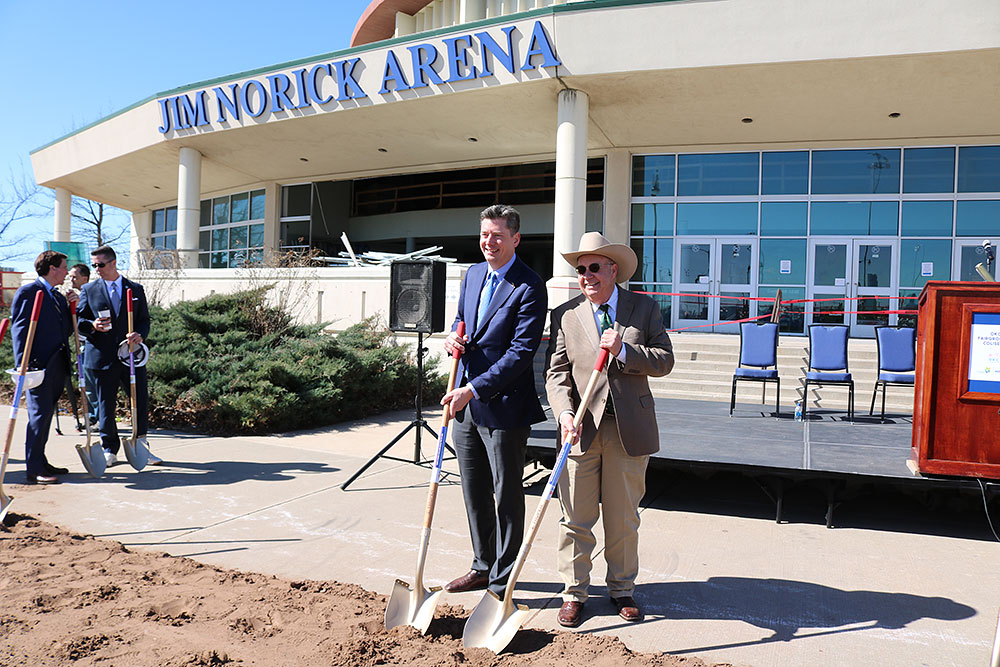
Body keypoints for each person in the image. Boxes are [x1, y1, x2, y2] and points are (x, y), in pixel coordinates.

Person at [545, 232, 674, 627]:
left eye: (594, 268)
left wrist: (624, 350)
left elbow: (665, 360)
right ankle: (574, 592)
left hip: (627, 431)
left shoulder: (644, 308)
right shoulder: (567, 314)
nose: (586, 276)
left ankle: (621, 589)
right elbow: (557, 374)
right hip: (580, 432)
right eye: (581, 269)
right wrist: (564, 414)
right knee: (574, 519)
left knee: (622, 519)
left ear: (613, 270)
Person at [440, 204, 547, 597]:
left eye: (498, 236)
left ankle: (503, 577)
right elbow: (461, 320)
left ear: (515, 239)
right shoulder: (471, 275)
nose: (489, 242)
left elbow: (520, 354)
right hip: (466, 404)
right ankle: (482, 565)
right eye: (485, 235)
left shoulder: (530, 286)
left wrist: (475, 388)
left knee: (506, 493)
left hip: (503, 407)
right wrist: (453, 336)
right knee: (473, 489)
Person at [77, 246, 162, 467]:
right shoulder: (89, 289)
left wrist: (140, 335)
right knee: (106, 405)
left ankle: (141, 447)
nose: (97, 269)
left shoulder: (135, 289)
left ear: (113, 263)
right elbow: (79, 322)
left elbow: (144, 320)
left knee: (139, 401)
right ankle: (109, 449)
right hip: (102, 358)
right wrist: (93, 326)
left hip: (130, 356)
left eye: (100, 265)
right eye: (94, 265)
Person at [10, 251, 76, 484]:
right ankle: (34, 468)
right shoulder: (29, 293)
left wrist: (72, 307)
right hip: (38, 366)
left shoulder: (57, 298)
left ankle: (41, 460)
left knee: (46, 415)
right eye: (64, 266)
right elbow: (19, 330)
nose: (67, 271)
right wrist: (23, 365)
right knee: (39, 415)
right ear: (52, 268)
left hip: (57, 364)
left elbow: (65, 330)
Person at [66, 263, 97, 428]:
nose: (71, 279)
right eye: (70, 276)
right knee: (83, 384)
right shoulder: (76, 295)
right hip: (79, 346)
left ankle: (96, 418)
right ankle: (90, 416)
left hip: (89, 346)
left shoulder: (92, 295)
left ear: (84, 278)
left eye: (74, 276)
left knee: (90, 384)